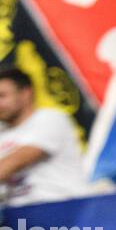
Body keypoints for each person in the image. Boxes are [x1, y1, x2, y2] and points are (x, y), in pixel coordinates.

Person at [0, 68, 88, 208]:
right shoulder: (3, 133)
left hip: (64, 211)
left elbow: (19, 159)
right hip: (17, 218)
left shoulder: (49, 119)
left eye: (2, 96)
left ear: (26, 93)